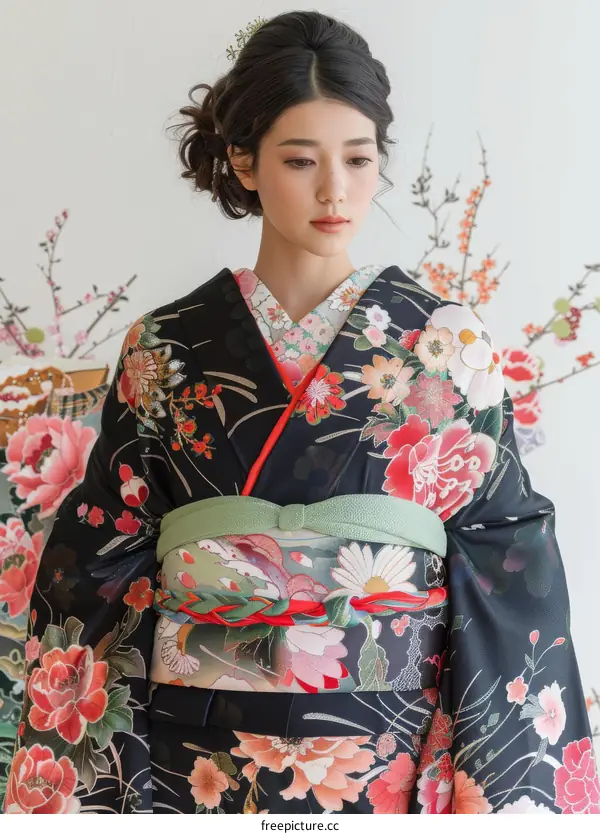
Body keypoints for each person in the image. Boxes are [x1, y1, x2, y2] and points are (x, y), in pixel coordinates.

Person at [4, 10, 598, 815]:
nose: (334, 191)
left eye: (358, 158)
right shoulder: (166, 345)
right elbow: (99, 551)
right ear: (243, 162)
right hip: (194, 749)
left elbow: (506, 552)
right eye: (299, 160)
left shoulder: (447, 344)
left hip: (385, 743)